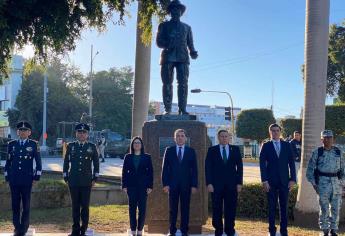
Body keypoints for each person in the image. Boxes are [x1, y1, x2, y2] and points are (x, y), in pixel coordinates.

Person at [156, 0, 198, 115]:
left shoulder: (187, 27)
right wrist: (169, 43)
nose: (176, 11)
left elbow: (190, 43)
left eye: (178, 9)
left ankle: (182, 109)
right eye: (173, 9)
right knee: (167, 83)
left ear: (181, 12)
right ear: (170, 12)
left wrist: (193, 52)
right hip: (168, 57)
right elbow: (158, 42)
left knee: (183, 84)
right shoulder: (163, 25)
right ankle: (167, 109)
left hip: (183, 57)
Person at [4, 121, 42, 236]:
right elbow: (8, 163)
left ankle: (24, 228)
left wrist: (36, 177)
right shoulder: (12, 144)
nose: (22, 132)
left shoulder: (34, 144)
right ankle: (17, 228)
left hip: (27, 180)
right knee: (15, 205)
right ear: (17, 132)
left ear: (29, 132)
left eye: (25, 130)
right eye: (20, 130)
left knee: (26, 205)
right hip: (14, 180)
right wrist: (7, 177)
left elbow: (38, 163)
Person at [63, 123, 100, 236]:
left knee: (85, 207)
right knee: (75, 206)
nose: (81, 134)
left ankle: (83, 230)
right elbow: (66, 161)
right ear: (76, 134)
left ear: (87, 134)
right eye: (79, 132)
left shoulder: (92, 146)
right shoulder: (70, 146)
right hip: (73, 181)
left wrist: (95, 177)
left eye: (84, 132)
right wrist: (65, 175)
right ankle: (75, 231)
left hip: (86, 181)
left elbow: (96, 163)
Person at [259, 123, 296, 236]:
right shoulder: (266, 146)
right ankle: (272, 231)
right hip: (270, 182)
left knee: (283, 207)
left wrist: (293, 179)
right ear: (270, 132)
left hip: (285, 181)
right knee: (271, 207)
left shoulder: (287, 145)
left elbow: (291, 163)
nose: (275, 132)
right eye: (273, 131)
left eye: (277, 130)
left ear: (280, 132)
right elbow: (262, 165)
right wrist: (264, 181)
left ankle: (284, 231)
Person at [306, 130, 344, 236]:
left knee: (336, 208)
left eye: (329, 137)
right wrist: (314, 185)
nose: (327, 139)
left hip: (336, 184)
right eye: (325, 137)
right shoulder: (317, 152)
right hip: (322, 183)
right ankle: (325, 230)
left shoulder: (338, 152)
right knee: (324, 208)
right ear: (321, 139)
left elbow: (343, 169)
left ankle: (334, 230)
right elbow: (309, 171)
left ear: (333, 139)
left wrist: (342, 184)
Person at [205, 130, 243, 236]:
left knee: (230, 208)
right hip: (216, 185)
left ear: (229, 137)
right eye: (222, 136)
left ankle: (229, 229)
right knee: (217, 208)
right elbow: (208, 168)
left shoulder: (235, 149)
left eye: (226, 136)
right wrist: (209, 183)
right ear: (218, 137)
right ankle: (218, 229)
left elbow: (240, 167)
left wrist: (239, 183)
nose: (224, 138)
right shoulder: (212, 150)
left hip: (232, 185)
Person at [162, 129, 198, 236]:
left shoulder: (191, 151)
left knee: (185, 209)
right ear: (174, 138)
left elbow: (194, 170)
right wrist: (165, 184)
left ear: (185, 138)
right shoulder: (169, 150)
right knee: (172, 209)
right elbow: (165, 169)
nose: (180, 137)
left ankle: (184, 231)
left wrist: (194, 185)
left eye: (182, 136)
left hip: (186, 186)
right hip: (172, 185)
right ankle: (172, 230)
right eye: (178, 136)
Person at [122, 136, 153, 236]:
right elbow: (124, 172)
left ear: (141, 145)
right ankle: (133, 230)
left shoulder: (147, 157)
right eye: (135, 143)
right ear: (132, 145)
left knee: (142, 209)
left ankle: (140, 230)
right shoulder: (128, 157)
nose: (136, 144)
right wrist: (124, 185)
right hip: (131, 187)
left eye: (138, 143)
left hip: (143, 187)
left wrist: (150, 186)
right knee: (132, 209)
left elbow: (150, 173)